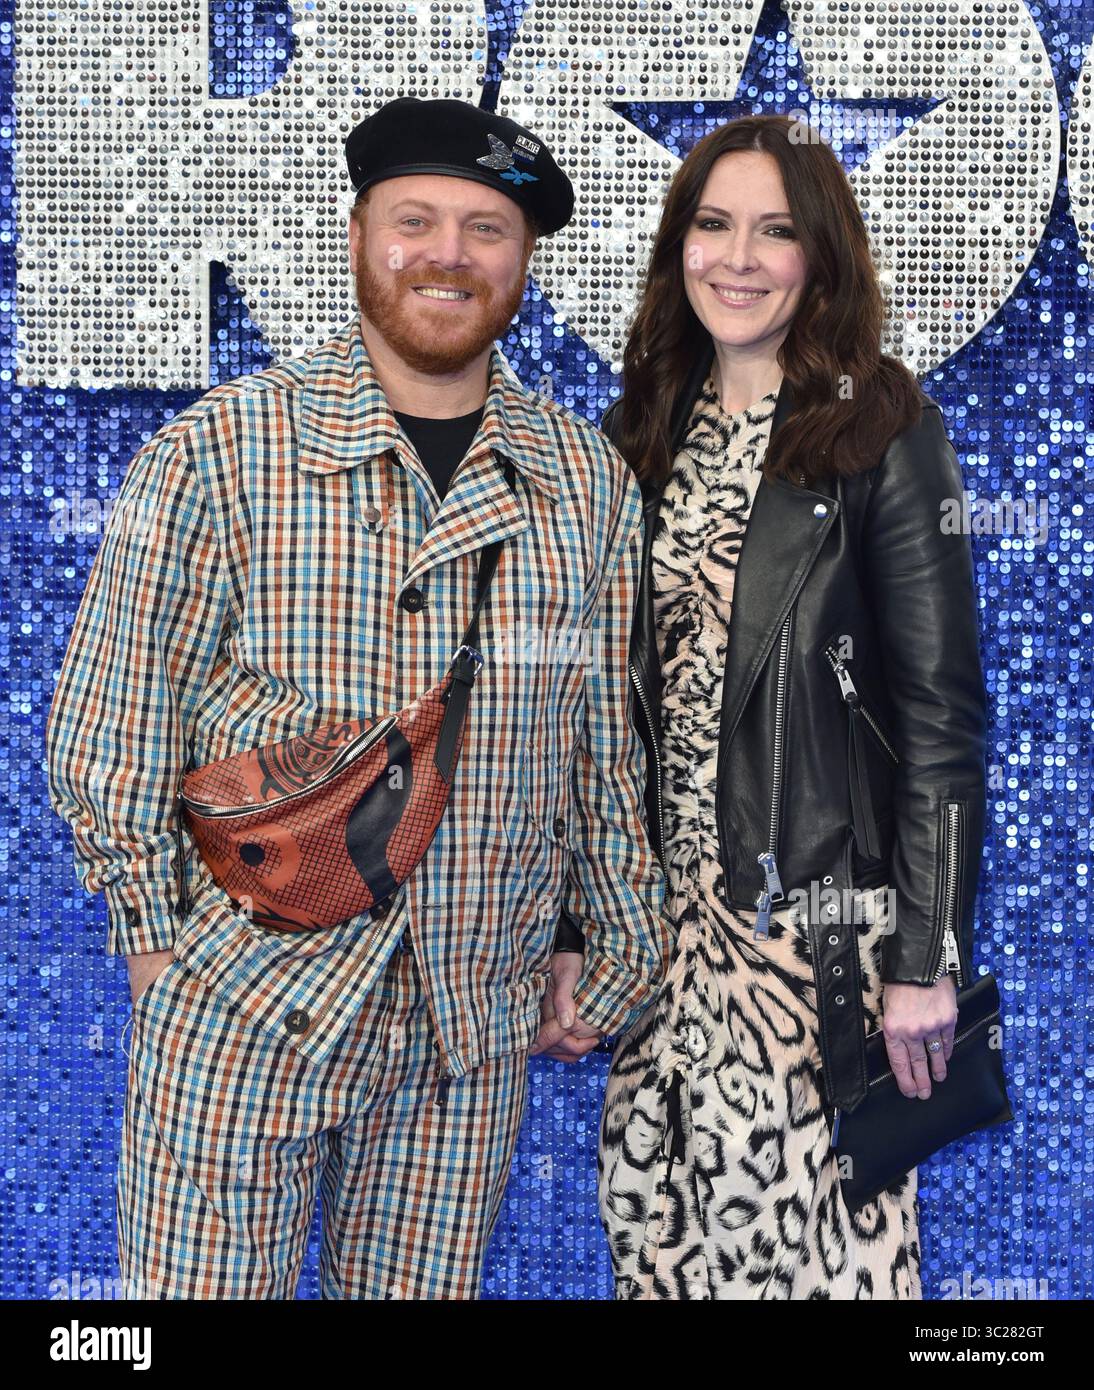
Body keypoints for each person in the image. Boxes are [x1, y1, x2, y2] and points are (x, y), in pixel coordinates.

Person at [45, 95, 670, 1300]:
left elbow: (598, 743)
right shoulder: (219, 452)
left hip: (463, 1026)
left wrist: (597, 935)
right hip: (244, 1002)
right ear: (356, 235)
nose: (448, 253)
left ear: (522, 259)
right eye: (416, 219)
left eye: (486, 228)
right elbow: (111, 723)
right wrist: (159, 956)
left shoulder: (582, 482)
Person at [589, 114, 988, 1298]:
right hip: (660, 945)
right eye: (712, 225)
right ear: (678, 248)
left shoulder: (880, 430)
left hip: (814, 947)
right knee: (657, 1243)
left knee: (810, 1269)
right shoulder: (640, 436)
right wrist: (583, 930)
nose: (737, 257)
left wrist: (924, 957)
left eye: (774, 231)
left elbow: (941, 718)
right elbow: (606, 720)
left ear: (819, 258)